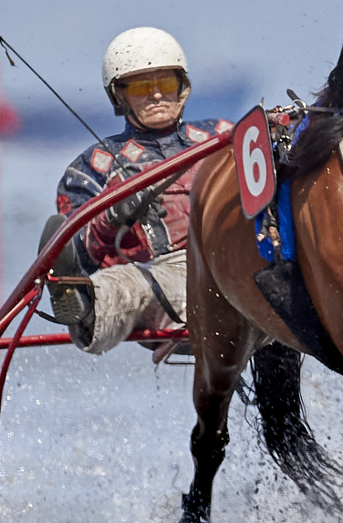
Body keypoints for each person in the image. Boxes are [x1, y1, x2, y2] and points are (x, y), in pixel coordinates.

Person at [43, 28, 229, 353]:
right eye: (143, 86)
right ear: (120, 95)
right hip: (166, 278)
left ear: (181, 88)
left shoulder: (224, 136)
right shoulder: (94, 165)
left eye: (166, 84)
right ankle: (84, 308)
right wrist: (109, 217)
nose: (156, 95)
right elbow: (73, 250)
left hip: (241, 260)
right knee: (125, 283)